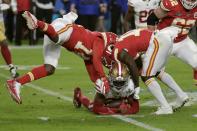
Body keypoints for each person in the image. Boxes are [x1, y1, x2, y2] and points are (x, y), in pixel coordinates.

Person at [5, 11, 119, 104]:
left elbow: (92, 70)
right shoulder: (99, 40)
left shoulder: (90, 56)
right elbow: (96, 59)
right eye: (112, 48)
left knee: (49, 68)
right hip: (65, 28)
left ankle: (16, 83)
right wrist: (104, 78)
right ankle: (37, 22)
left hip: (58, 38)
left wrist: (99, 83)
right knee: (57, 37)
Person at [102, 27, 189, 115]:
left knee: (146, 76)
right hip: (164, 38)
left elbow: (132, 66)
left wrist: (136, 86)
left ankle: (165, 107)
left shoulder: (119, 54)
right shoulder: (122, 44)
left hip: (158, 41)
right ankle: (182, 95)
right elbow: (137, 61)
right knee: (158, 72)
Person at [147, 0, 197, 86]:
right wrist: (152, 39)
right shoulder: (172, 4)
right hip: (164, 42)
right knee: (152, 71)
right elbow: (151, 19)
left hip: (182, 41)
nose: (190, 1)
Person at [73, 62, 139, 115]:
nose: (119, 85)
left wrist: (126, 110)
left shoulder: (130, 86)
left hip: (121, 99)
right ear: (110, 78)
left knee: (121, 102)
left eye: (122, 82)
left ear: (127, 80)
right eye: (116, 82)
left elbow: (136, 108)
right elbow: (97, 109)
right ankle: (79, 96)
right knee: (91, 106)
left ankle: (119, 103)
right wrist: (118, 110)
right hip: (106, 100)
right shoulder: (103, 85)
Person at [0, 0, 19, 78]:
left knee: (3, 44)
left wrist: (12, 6)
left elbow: (13, 8)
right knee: (4, 42)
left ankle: (11, 67)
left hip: (1, 24)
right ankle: (11, 68)